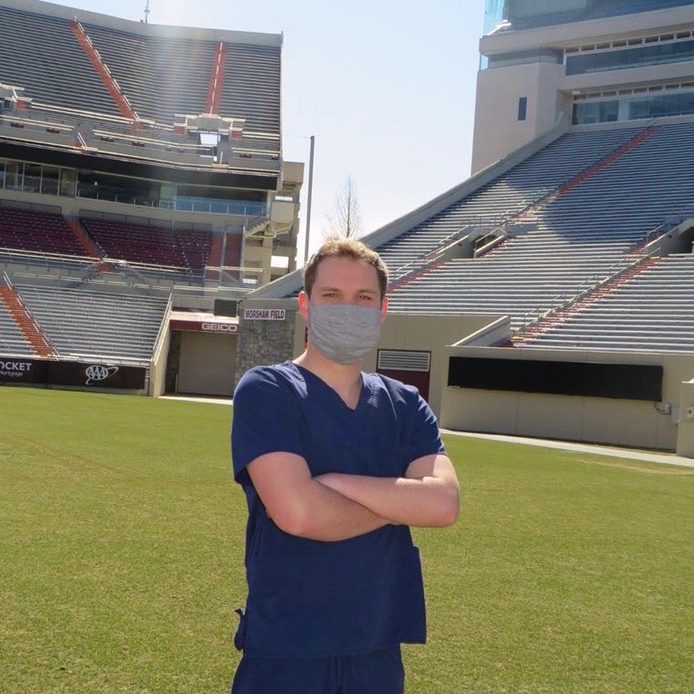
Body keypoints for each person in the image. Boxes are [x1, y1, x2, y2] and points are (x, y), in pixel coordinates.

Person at [230, 237, 460, 694]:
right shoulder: (267, 390)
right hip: (287, 650)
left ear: (382, 309)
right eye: (331, 296)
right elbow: (299, 513)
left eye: (363, 298)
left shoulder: (406, 404)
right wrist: (400, 503)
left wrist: (333, 485)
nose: (348, 308)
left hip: (377, 650)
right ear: (305, 304)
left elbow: (444, 504)